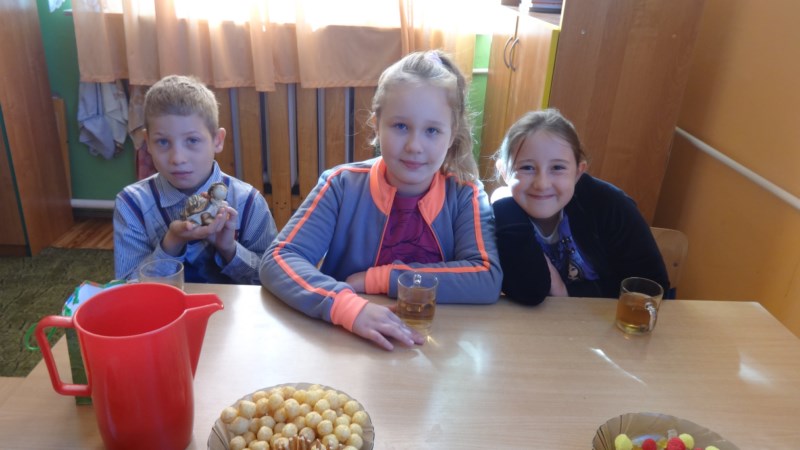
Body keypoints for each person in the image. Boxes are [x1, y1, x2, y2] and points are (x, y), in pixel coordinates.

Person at [260, 50, 502, 350]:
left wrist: (380, 279)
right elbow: (278, 259)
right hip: (346, 343)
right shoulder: (341, 185)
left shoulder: (466, 193)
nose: (414, 146)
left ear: (452, 135)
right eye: (400, 126)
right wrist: (348, 307)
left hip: (432, 348)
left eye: (432, 130)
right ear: (376, 125)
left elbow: (486, 277)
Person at [491, 109, 668, 305]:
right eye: (527, 168)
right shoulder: (499, 216)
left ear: (578, 172)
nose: (542, 184)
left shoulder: (611, 205)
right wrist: (503, 204)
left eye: (557, 168)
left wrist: (564, 291)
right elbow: (529, 291)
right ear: (504, 172)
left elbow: (652, 288)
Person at [114, 75, 277, 284]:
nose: (177, 158)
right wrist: (172, 242)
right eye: (162, 142)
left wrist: (229, 248)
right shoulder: (131, 205)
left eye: (192, 140)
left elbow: (273, 280)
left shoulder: (249, 202)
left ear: (217, 140)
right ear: (147, 143)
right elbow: (129, 289)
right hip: (166, 306)